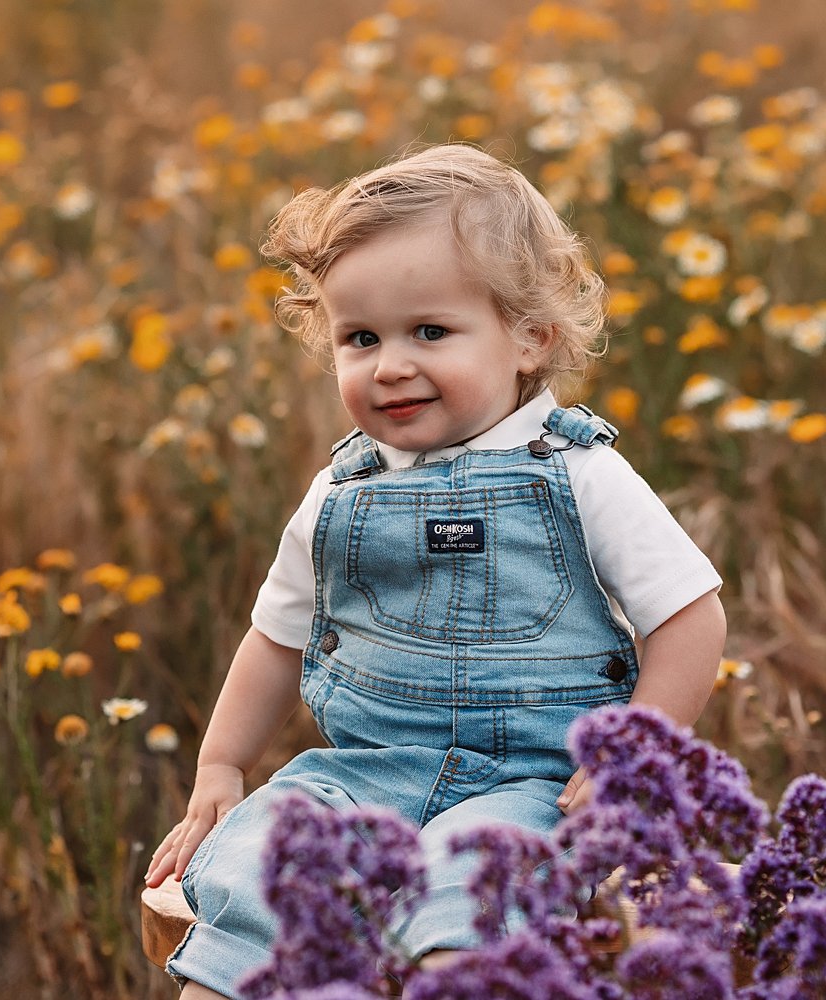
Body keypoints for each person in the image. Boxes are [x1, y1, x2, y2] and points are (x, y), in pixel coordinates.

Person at [144, 143, 726, 999]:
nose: (390, 365)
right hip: (365, 773)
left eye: (430, 332)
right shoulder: (341, 490)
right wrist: (223, 764)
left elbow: (691, 616)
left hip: (532, 784)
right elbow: (277, 635)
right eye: (361, 337)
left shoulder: (577, 473)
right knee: (263, 871)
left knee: (472, 905)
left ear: (531, 337)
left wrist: (631, 758)